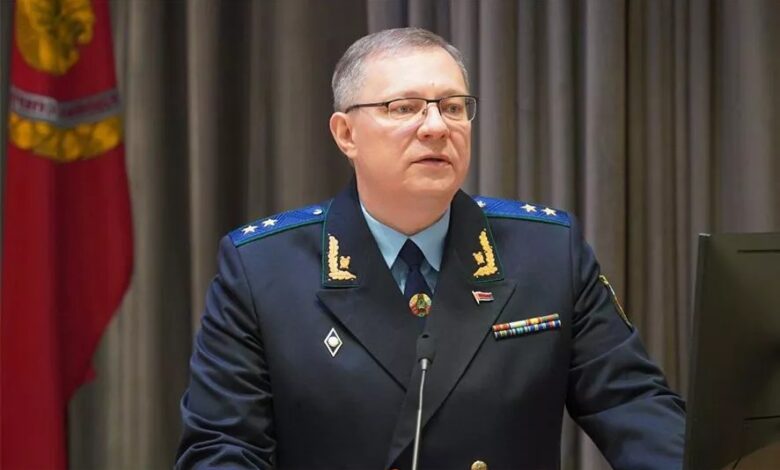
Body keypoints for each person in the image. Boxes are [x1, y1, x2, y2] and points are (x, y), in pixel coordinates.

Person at [176, 27, 685, 470]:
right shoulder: (263, 268)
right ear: (346, 133)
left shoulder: (547, 250)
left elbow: (633, 404)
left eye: (454, 107)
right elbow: (223, 446)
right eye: (405, 108)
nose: (437, 126)